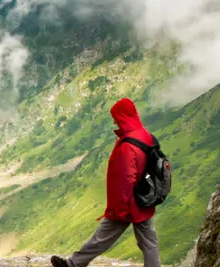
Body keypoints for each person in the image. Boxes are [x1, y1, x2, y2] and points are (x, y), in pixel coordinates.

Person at [51, 98, 160, 267]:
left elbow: (126, 181)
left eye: (116, 117)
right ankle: (73, 263)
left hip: (128, 205)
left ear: (123, 117)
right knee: (148, 242)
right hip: (143, 199)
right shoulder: (145, 135)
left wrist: (120, 209)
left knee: (103, 238)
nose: (114, 121)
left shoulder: (128, 145)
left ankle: (73, 264)